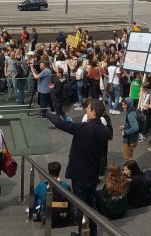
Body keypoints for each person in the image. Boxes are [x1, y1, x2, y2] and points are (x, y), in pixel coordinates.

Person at [46, 100, 109, 234]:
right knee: (90, 204)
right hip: (92, 174)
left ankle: (83, 232)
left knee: (80, 206)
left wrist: (49, 114)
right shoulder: (104, 130)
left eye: (88, 109)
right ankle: (92, 231)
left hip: (80, 174)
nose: (86, 110)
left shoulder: (83, 128)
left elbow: (61, 124)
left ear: (93, 112)